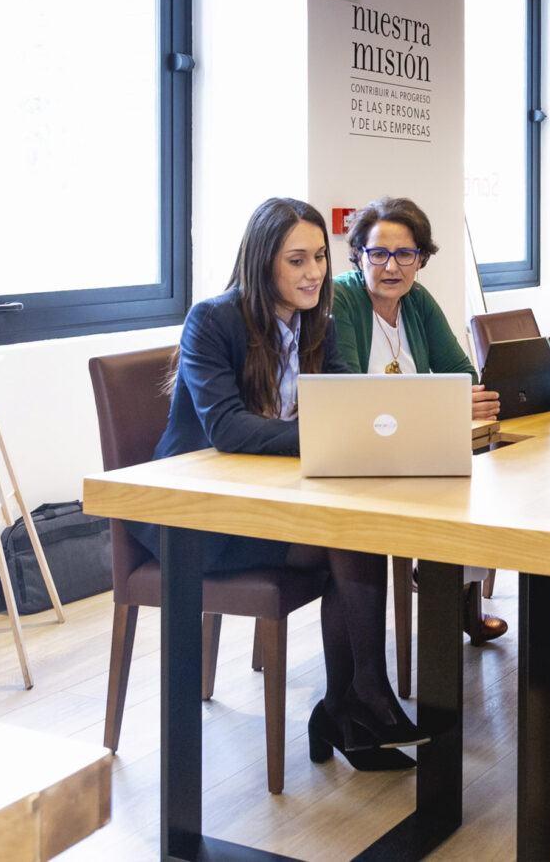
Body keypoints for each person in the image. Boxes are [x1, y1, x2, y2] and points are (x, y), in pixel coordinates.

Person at [130, 197, 425, 772]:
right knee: (350, 538)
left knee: (352, 533)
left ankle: (351, 701)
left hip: (272, 503)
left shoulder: (323, 322)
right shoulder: (212, 320)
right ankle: (357, 700)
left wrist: (371, 428)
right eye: (297, 260)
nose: (314, 272)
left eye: (318, 256)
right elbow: (228, 428)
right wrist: (329, 436)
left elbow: (347, 403)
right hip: (199, 518)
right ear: (264, 263)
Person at [332, 195, 507, 642]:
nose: (391, 267)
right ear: (358, 255)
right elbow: (351, 395)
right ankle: (444, 583)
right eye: (378, 254)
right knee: (455, 483)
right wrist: (443, 403)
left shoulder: (416, 300)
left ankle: (452, 587)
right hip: (360, 453)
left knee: (479, 481)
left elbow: (464, 377)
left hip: (416, 444)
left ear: (421, 260)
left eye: (405, 254)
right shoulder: (342, 298)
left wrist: (443, 401)